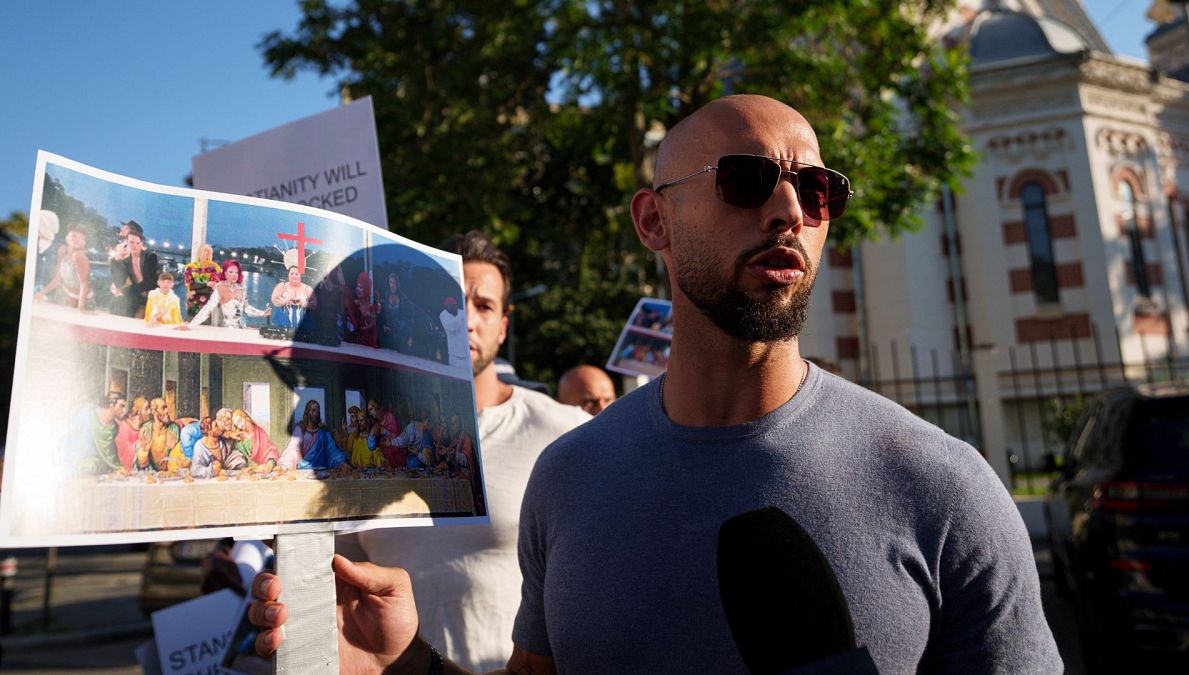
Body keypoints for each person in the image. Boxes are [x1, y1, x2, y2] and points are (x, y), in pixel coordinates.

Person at [249, 96, 1060, 672]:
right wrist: (406, 666)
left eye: (816, 190)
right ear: (653, 222)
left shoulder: (943, 486)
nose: (789, 211)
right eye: (746, 179)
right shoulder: (569, 477)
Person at [326, 231, 590, 670]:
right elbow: (336, 578)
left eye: (483, 306)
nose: (465, 319)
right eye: (450, 303)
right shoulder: (367, 437)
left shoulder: (563, 433)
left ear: (504, 325)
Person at [187, 259, 266, 329]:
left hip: (242, 328)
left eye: (236, 272)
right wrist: (190, 325)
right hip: (227, 329)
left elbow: (247, 309)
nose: (234, 275)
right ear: (225, 273)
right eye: (231, 272)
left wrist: (263, 313)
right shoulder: (220, 287)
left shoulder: (241, 289)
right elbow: (208, 309)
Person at [278, 400, 350, 471]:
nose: (316, 413)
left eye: (317, 412)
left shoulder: (324, 434)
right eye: (313, 411)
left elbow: (333, 452)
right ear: (307, 412)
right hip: (303, 471)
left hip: (322, 472)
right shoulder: (300, 430)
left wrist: (341, 464)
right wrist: (285, 465)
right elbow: (292, 450)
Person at [34, 223, 91, 311]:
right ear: (67, 238)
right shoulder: (62, 250)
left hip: (84, 300)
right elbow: (58, 278)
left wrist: (81, 307)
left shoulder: (79, 256)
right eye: (74, 236)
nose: (77, 240)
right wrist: (41, 294)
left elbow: (84, 284)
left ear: (84, 243)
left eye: (82, 238)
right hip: (65, 296)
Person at [110, 225, 159, 318]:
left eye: (137, 243)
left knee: (140, 315)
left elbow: (152, 280)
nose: (134, 246)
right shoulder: (125, 259)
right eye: (131, 242)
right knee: (118, 307)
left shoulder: (150, 257)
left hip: (150, 294)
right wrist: (118, 260)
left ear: (141, 244)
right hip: (134, 294)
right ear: (126, 243)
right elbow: (119, 283)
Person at [134, 397, 183, 471]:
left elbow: (177, 459)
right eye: (163, 408)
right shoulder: (146, 429)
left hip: (169, 474)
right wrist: (144, 451)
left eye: (166, 407)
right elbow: (142, 464)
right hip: (150, 473)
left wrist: (173, 449)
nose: (167, 411)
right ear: (154, 412)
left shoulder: (174, 428)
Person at [183, 244, 222, 318]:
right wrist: (206, 284)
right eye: (205, 251)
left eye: (209, 252)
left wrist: (195, 291)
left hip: (209, 303)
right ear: (199, 253)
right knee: (191, 324)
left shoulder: (214, 268)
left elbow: (211, 288)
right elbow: (191, 286)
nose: (207, 254)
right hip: (193, 302)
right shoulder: (190, 267)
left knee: (207, 327)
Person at [439, 296, 468, 371]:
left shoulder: (462, 312)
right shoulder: (443, 315)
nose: (446, 307)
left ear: (454, 306)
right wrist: (461, 316)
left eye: (448, 306)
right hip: (455, 356)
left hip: (467, 355)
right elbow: (452, 326)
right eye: (446, 306)